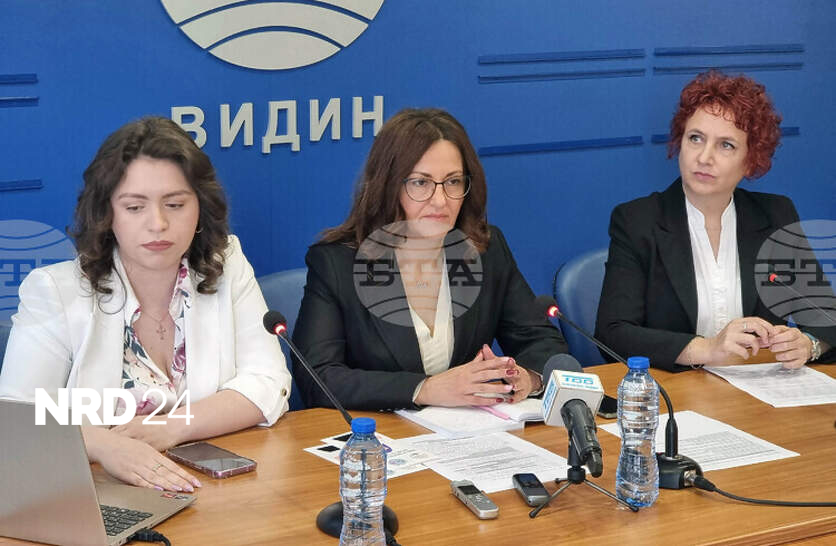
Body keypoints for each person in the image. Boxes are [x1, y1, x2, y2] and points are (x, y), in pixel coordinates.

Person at [0, 117, 292, 492]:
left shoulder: (226, 264)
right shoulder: (57, 291)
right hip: (98, 489)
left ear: (200, 208)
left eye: (175, 204)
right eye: (135, 207)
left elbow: (268, 382)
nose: (158, 223)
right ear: (107, 214)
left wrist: (170, 427)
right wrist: (103, 445)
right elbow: (15, 417)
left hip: (211, 487)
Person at [292, 108, 575, 411]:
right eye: (420, 183)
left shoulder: (485, 250)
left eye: (453, 182)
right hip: (384, 433)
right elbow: (319, 378)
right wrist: (424, 389)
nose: (440, 200)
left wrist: (528, 378)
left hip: (472, 430)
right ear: (389, 186)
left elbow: (542, 342)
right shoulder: (336, 263)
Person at [595, 70, 835, 371]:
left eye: (726, 145)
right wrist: (706, 349)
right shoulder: (638, 221)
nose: (704, 157)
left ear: (751, 159)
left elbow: (827, 317)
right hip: (676, 388)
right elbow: (612, 334)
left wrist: (810, 344)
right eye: (695, 138)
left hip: (756, 388)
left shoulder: (775, 215)